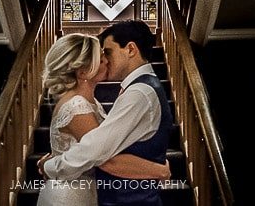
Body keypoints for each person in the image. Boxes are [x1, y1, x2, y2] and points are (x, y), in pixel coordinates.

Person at [40, 20, 173, 206]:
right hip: (71, 196)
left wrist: (52, 164)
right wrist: (159, 170)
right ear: (84, 71)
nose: (106, 60)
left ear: (131, 50)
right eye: (101, 57)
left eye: (107, 53)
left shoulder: (138, 92)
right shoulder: (78, 105)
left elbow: (99, 150)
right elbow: (101, 156)